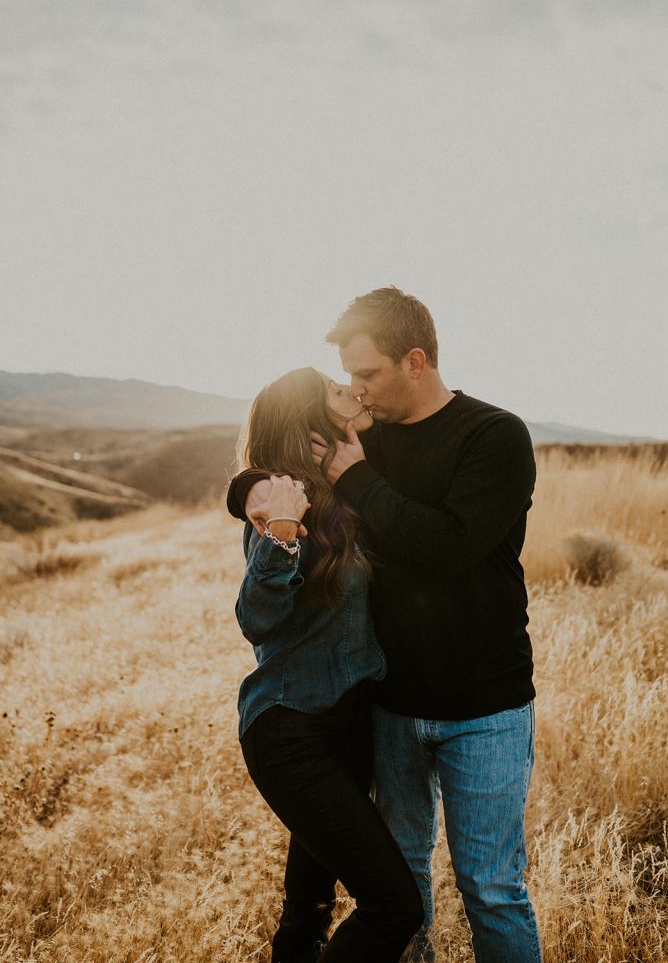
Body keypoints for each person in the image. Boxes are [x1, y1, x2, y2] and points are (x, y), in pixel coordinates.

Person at [229, 288, 543, 963]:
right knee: (403, 893)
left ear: (416, 361)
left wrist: (357, 477)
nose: (357, 391)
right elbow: (285, 450)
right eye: (346, 380)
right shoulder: (351, 453)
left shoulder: (491, 436)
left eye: (366, 376)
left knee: (491, 889)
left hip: (482, 706)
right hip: (386, 711)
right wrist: (253, 488)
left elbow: (450, 544)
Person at [231, 365, 424, 963]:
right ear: (310, 423)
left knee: (310, 905)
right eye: (337, 391)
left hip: (349, 728)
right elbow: (257, 620)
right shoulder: (282, 508)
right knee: (395, 907)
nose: (354, 390)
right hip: (291, 731)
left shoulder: (348, 491)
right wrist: (279, 522)